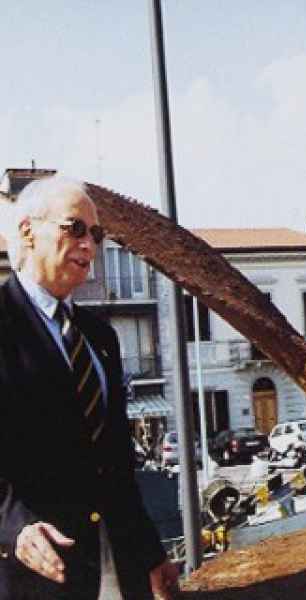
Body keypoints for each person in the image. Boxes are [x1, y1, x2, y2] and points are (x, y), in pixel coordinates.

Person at [0, 177, 179, 599]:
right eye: (74, 228)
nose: (89, 245)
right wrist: (15, 527)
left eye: (96, 235)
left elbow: (116, 461)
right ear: (28, 231)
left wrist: (151, 553)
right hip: (41, 575)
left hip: (119, 565)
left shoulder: (100, 336)